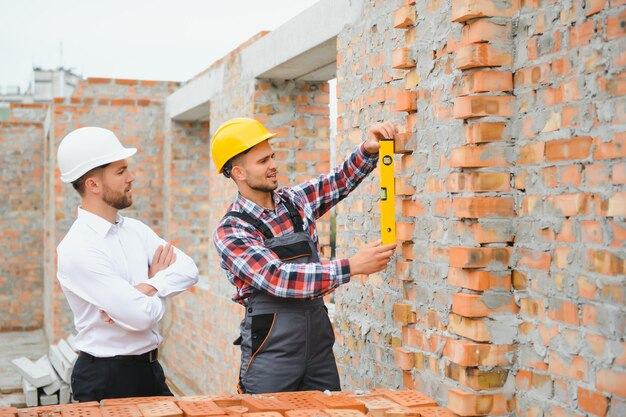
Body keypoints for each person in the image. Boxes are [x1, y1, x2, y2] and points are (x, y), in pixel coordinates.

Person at [212, 117, 397, 394]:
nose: (273, 164)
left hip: (318, 345)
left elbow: (338, 181)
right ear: (238, 172)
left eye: (272, 156)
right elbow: (278, 278)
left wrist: (369, 150)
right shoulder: (232, 229)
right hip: (272, 352)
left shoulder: (294, 202)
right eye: (263, 161)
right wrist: (351, 266)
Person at [56, 126, 199, 401]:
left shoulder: (136, 230)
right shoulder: (78, 248)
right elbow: (141, 317)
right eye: (121, 171)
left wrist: (148, 286)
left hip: (150, 370)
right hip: (106, 379)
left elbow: (189, 270)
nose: (132, 177)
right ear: (93, 185)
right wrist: (157, 291)